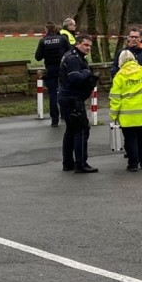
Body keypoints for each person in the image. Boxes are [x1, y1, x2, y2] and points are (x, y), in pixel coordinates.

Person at [108, 49, 142, 171]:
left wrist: (113, 115)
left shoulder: (119, 76)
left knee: (130, 141)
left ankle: (133, 164)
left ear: (120, 61)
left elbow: (115, 98)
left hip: (127, 116)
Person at [58, 33, 98, 173]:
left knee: (70, 130)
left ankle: (68, 163)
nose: (88, 48)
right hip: (72, 99)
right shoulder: (74, 58)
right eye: (86, 45)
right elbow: (75, 78)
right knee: (81, 130)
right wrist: (87, 72)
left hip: (67, 97)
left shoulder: (72, 56)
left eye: (90, 46)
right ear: (78, 44)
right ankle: (81, 164)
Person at [33, 21, 70, 126]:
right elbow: (70, 52)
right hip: (63, 69)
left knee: (53, 95)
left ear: (46, 30)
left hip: (51, 69)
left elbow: (38, 57)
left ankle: (54, 119)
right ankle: (64, 114)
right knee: (65, 92)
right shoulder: (63, 39)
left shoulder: (43, 41)